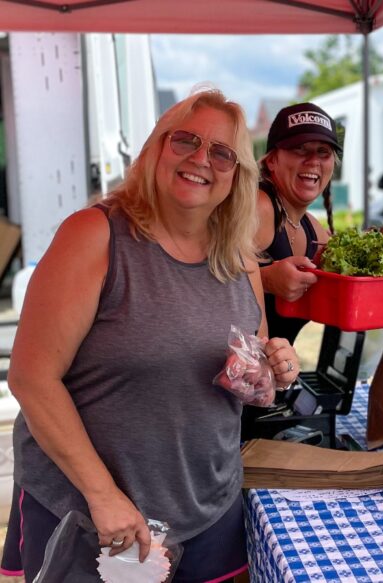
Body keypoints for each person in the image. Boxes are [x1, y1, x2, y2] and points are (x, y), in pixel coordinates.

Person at [0, 88, 300, 582]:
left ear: (237, 176)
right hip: (96, 518)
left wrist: (274, 368)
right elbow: (32, 378)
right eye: (186, 140)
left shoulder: (240, 257)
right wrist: (103, 496)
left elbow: (253, 380)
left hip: (208, 508)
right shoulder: (95, 235)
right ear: (158, 148)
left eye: (222, 152)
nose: (202, 159)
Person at [256, 102, 342, 344]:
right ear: (272, 160)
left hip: (269, 376)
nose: (313, 160)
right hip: (218, 375)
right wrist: (265, 280)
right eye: (299, 149)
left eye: (323, 152)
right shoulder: (259, 207)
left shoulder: (312, 229)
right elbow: (200, 283)